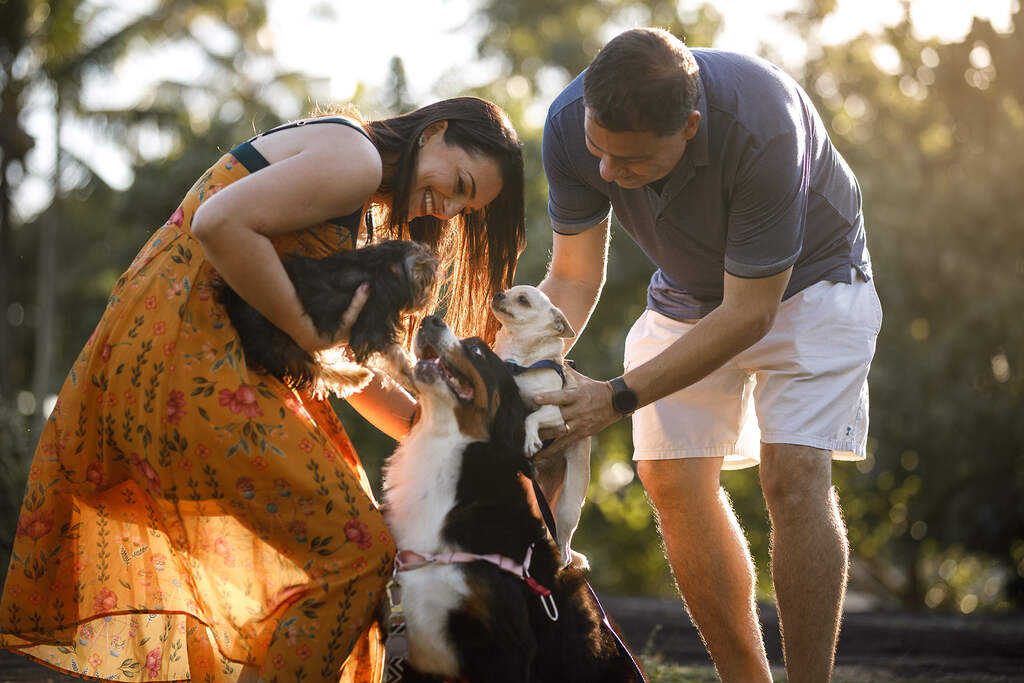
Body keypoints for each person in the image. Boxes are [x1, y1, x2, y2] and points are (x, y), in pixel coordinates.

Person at [0, 96, 525, 683]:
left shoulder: (358, 187)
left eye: (462, 205)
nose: (447, 208)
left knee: (334, 559)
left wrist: (446, 435)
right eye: (456, 183)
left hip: (171, 353)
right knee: (356, 554)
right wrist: (307, 329)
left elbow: (348, 373)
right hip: (189, 353)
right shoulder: (357, 159)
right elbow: (218, 224)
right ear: (438, 130)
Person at [534, 28, 881, 683]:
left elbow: (751, 312)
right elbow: (575, 278)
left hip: (811, 282)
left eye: (630, 162)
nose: (608, 172)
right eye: (597, 149)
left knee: (793, 473)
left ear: (689, 127)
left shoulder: (764, 128)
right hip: (688, 289)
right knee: (668, 474)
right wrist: (519, 373)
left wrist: (612, 395)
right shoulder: (567, 124)